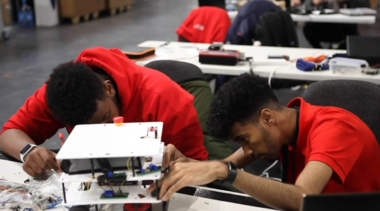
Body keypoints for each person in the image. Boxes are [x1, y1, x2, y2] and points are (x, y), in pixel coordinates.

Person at [148, 74, 380, 211]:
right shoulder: (282, 129)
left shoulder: (334, 128)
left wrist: (225, 172)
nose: (246, 150)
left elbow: (304, 197)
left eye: (244, 140)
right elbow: (226, 164)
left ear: (267, 117)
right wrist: (186, 164)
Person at [0, 47, 208, 177]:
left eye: (105, 119)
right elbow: (10, 132)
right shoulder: (61, 94)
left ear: (109, 89)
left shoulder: (167, 102)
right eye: (85, 129)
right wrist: (28, 151)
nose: (102, 133)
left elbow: (199, 168)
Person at [292, 0, 370, 49]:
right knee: (308, 29)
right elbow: (305, 6)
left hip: (346, 27)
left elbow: (366, 4)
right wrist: (314, 2)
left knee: (353, 38)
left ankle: (340, 51)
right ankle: (321, 51)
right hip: (322, 25)